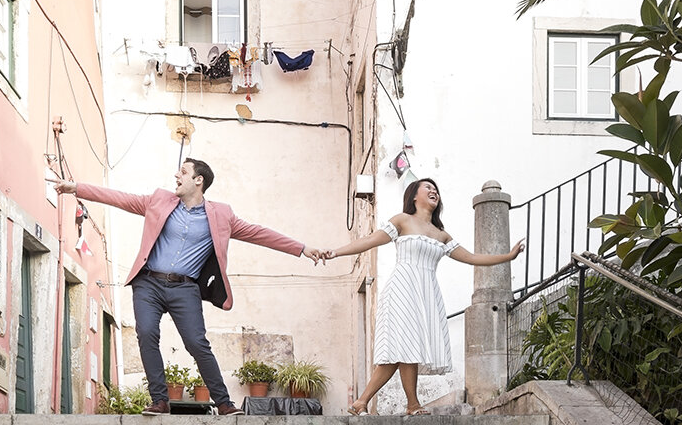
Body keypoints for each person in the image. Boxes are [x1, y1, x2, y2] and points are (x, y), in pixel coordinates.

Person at [52, 159, 326, 415]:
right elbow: (121, 198)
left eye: (183, 172)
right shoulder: (160, 201)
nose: (176, 176)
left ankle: (223, 402)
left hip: (185, 289)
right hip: (148, 283)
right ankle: (159, 400)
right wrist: (77, 188)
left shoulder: (221, 216)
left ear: (199, 180)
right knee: (146, 333)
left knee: (197, 343)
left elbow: (258, 233)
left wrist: (301, 248)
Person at [325, 177, 524, 415]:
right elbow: (369, 241)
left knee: (408, 348)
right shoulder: (402, 220)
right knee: (403, 346)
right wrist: (335, 253)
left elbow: (472, 258)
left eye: (436, 189)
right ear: (414, 196)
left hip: (426, 293)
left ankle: (366, 403)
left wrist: (507, 256)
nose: (434, 191)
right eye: (428, 188)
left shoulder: (441, 234)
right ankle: (408, 404)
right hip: (402, 289)